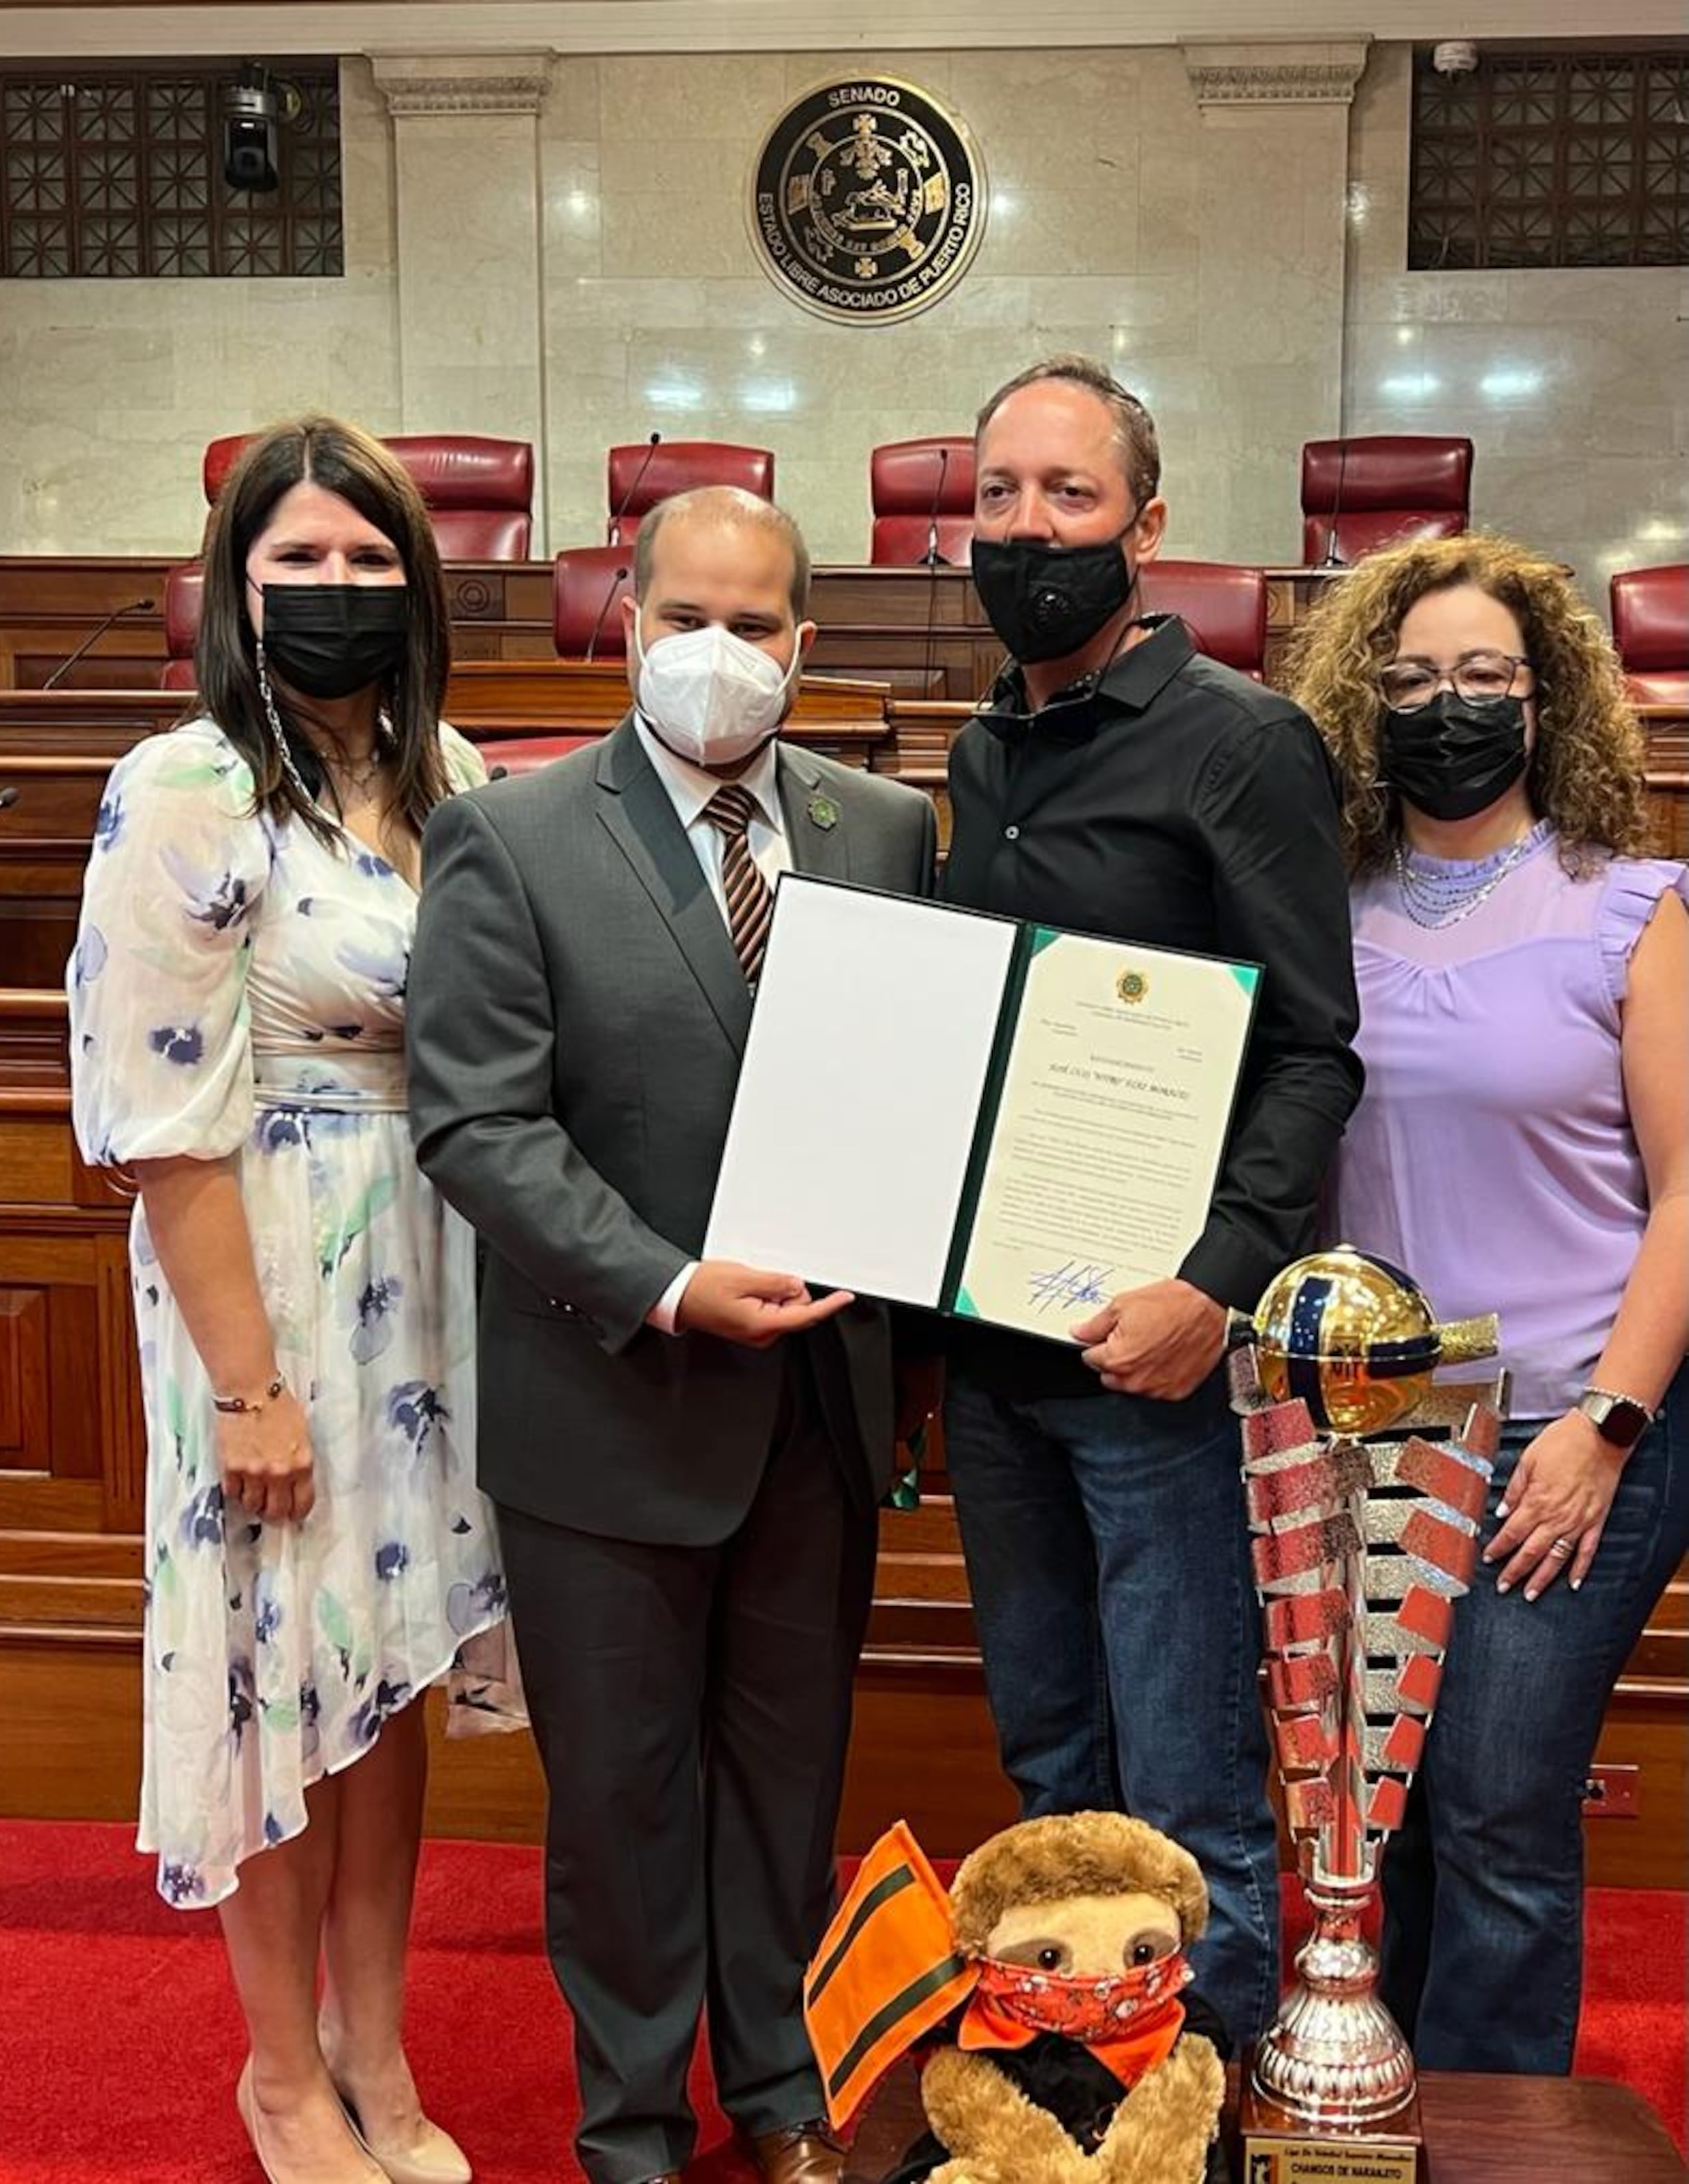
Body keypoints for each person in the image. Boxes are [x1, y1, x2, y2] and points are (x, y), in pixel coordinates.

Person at [406, 485, 939, 2184]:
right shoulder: (514, 833)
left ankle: (779, 2097)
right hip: (613, 1395)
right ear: (623, 621)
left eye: (757, 622)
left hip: (819, 1413)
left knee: (788, 1784)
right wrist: (661, 1280)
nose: (722, 652)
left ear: (808, 639)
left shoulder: (882, 828)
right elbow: (480, 1125)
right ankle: (631, 2127)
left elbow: (914, 1098)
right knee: (625, 1807)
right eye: (686, 617)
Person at [68, 416, 522, 2184]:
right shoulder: (182, 787)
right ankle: (277, 2072)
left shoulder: (455, 777)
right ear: (230, 590)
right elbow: (160, 1123)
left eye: (367, 559)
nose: (335, 591)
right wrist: (247, 1388)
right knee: (273, 1678)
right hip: (258, 1279)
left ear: (417, 583)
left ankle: (373, 2044)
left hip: (429, 1284)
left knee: (384, 1674)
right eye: (296, 562)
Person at [936, 355, 1364, 2046]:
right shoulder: (978, 751)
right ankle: (1070, 2084)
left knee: (1187, 1791)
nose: (1027, 528)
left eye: (1068, 495)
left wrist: (1213, 1285)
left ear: (1147, 524)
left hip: (1159, 1366)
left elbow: (1314, 1055)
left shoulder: (1240, 744)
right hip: (993, 1364)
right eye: (996, 496)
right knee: (1049, 1770)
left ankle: (1207, 2113)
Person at [1289, 531, 1689, 2073]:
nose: (1442, 705)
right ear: (1356, 703)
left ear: (1544, 702)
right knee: (1368, 1816)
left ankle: (1492, 2137)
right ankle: (1372, 2103)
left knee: (1496, 1810)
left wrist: (1602, 1423)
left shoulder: (1628, 905)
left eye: (1480, 677)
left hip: (1565, 1426)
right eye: (1406, 679)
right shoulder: (1318, 905)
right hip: (1365, 1429)